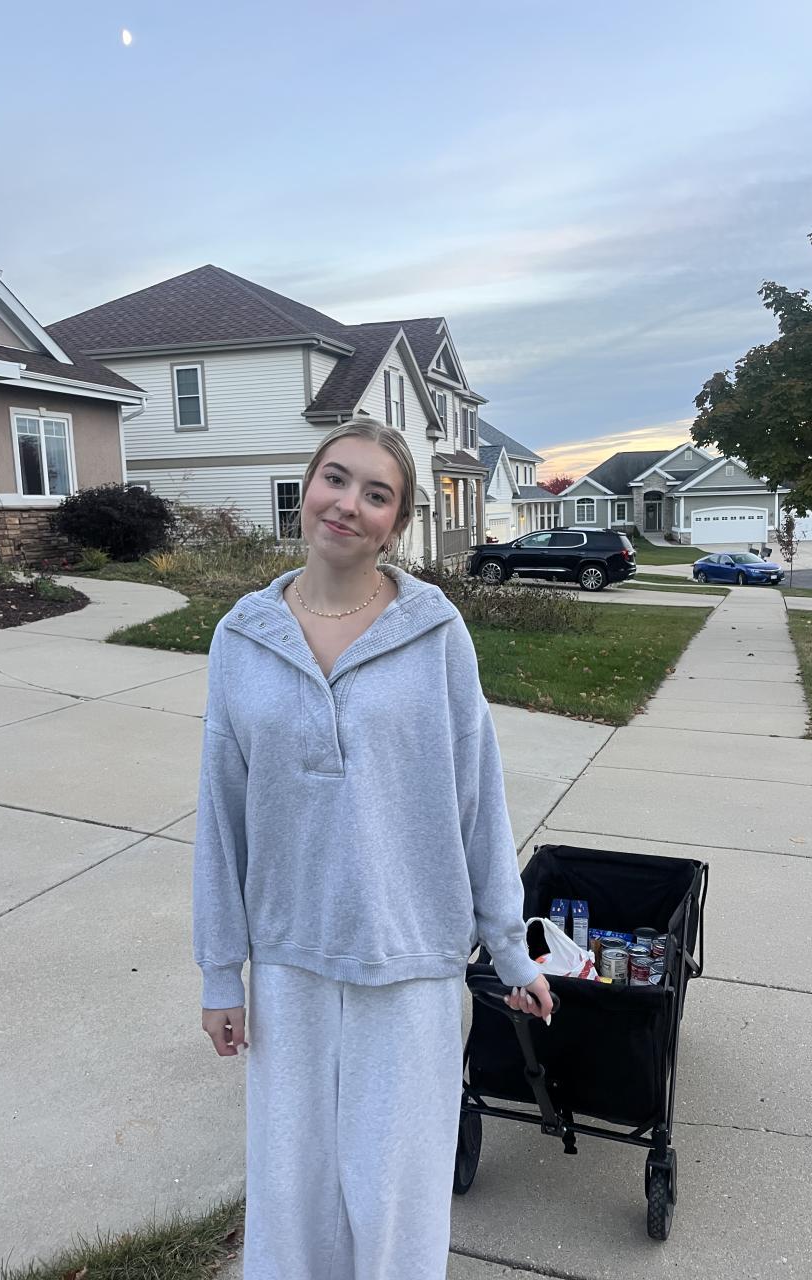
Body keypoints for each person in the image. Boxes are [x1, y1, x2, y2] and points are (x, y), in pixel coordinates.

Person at [192, 417, 552, 1280]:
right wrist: (220, 973)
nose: (348, 504)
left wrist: (509, 950)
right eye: (336, 478)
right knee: (291, 1193)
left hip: (412, 959)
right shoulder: (243, 636)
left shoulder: (435, 632)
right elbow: (222, 814)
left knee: (395, 1194)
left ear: (397, 522)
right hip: (290, 960)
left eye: (376, 493)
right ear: (308, 487)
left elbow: (476, 796)